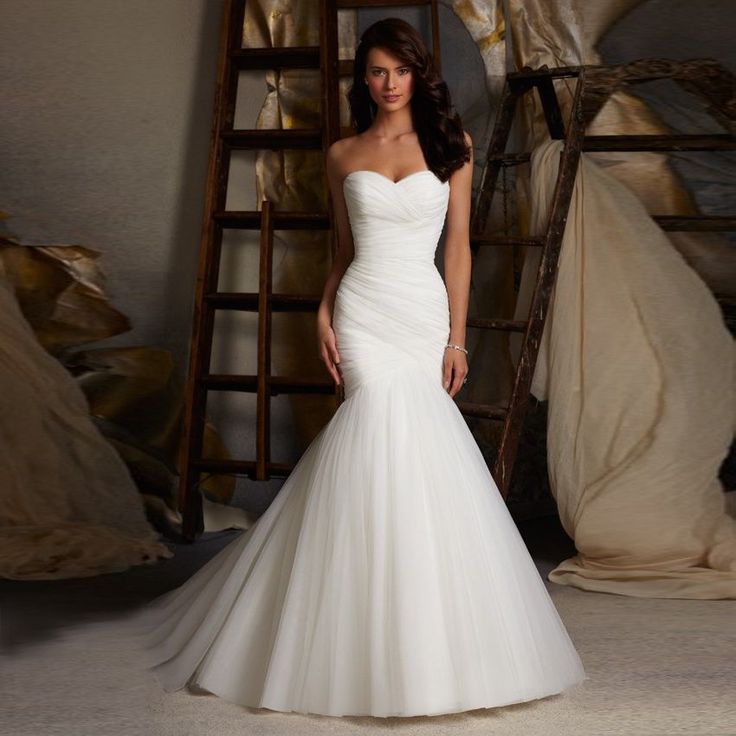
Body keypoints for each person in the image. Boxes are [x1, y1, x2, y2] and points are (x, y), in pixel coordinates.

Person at [130, 17, 588, 719]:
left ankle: (431, 645)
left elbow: (459, 249)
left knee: (422, 455)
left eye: (399, 70)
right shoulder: (344, 152)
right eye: (376, 72)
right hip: (364, 312)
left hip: (423, 313)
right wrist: (323, 310)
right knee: (374, 435)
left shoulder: (451, 144)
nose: (388, 83)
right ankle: (348, 640)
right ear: (363, 80)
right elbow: (341, 253)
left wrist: (458, 340)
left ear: (417, 74)